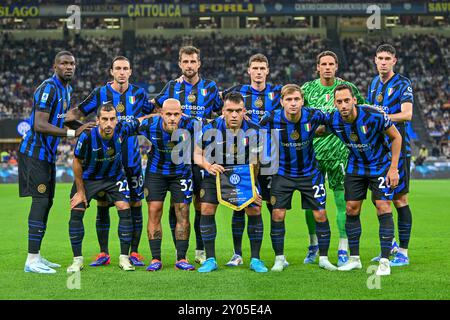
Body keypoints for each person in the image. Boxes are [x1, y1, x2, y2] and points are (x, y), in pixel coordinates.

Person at [65, 56, 154, 267]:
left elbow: (156, 114)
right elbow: (71, 115)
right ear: (111, 72)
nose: (121, 72)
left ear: (130, 72)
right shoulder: (100, 93)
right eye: (118, 69)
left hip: (131, 161)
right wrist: (83, 128)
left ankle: (134, 253)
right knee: (103, 205)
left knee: (135, 204)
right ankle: (103, 253)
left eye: (125, 68)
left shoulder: (139, 94)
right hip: (103, 165)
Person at [19, 51, 95, 273]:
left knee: (47, 202)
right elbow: (39, 125)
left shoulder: (67, 89)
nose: (68, 67)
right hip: (34, 154)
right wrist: (73, 134)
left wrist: (84, 128)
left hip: (47, 155)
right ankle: (31, 260)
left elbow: (63, 121)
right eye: (64, 63)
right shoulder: (48, 88)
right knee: (40, 202)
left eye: (72, 63)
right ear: (55, 66)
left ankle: (37, 256)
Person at [153, 46, 223, 265]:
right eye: (185, 61)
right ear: (180, 63)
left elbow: (220, 113)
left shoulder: (210, 87)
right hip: (178, 156)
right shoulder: (171, 87)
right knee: (178, 205)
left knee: (202, 205)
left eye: (193, 61)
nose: (189, 65)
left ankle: (201, 250)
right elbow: (158, 111)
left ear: (199, 63)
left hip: (203, 154)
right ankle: (179, 252)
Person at [326, 84, 402, 276]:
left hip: (380, 166)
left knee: (383, 206)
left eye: (346, 100)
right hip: (355, 167)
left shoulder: (374, 115)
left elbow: (396, 137)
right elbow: (313, 123)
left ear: (354, 100)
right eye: (339, 102)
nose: (343, 105)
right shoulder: (333, 119)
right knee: (351, 208)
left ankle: (385, 261)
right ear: (335, 103)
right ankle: (355, 259)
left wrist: (393, 168)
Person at [260, 84, 336, 271]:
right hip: (282, 173)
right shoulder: (271, 118)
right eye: (289, 100)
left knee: (320, 214)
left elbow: (335, 122)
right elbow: (254, 133)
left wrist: (322, 131)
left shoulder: (313, 115)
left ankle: (324, 258)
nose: (293, 103)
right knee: (277, 214)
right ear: (282, 102)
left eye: (296, 99)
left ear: (302, 101)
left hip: (309, 173)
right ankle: (279, 258)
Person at [301, 50, 366, 266]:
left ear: (336, 66)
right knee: (313, 203)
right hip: (313, 155)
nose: (327, 67)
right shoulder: (307, 89)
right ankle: (313, 246)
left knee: (342, 201)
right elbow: (297, 116)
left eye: (331, 63)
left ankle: (343, 247)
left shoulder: (348, 89)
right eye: (323, 64)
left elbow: (362, 111)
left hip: (341, 153)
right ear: (317, 67)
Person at [194, 92, 268, 273]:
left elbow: (257, 161)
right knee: (206, 208)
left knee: (255, 208)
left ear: (244, 111)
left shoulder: (255, 130)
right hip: (217, 172)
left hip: (244, 174)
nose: (234, 115)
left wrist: (254, 187)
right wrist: (208, 166)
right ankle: (210, 259)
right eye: (230, 111)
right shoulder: (211, 127)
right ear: (223, 111)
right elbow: (196, 154)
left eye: (238, 111)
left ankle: (255, 259)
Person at [221, 53, 282, 267]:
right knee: (240, 203)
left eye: (262, 68)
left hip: (271, 156)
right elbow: (219, 106)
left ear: (267, 70)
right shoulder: (238, 92)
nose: (258, 72)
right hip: (242, 157)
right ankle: (237, 254)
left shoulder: (278, 93)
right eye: (254, 68)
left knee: (272, 207)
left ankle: (278, 256)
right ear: (249, 71)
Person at [140, 99, 205, 272]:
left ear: (181, 114)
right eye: (168, 114)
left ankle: (182, 258)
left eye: (176, 114)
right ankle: (155, 259)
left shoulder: (191, 124)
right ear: (161, 113)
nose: (172, 118)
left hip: (181, 172)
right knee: (154, 211)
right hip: (156, 173)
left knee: (183, 212)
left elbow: (214, 126)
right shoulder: (149, 124)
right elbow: (127, 125)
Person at [367, 44, 414, 266]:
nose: (383, 62)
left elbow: (407, 114)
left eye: (387, 58)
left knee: (399, 199)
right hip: (378, 153)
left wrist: (383, 119)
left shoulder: (403, 83)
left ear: (394, 60)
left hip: (399, 150)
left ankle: (403, 252)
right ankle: (391, 245)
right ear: (375, 60)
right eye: (380, 58)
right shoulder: (374, 84)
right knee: (379, 199)